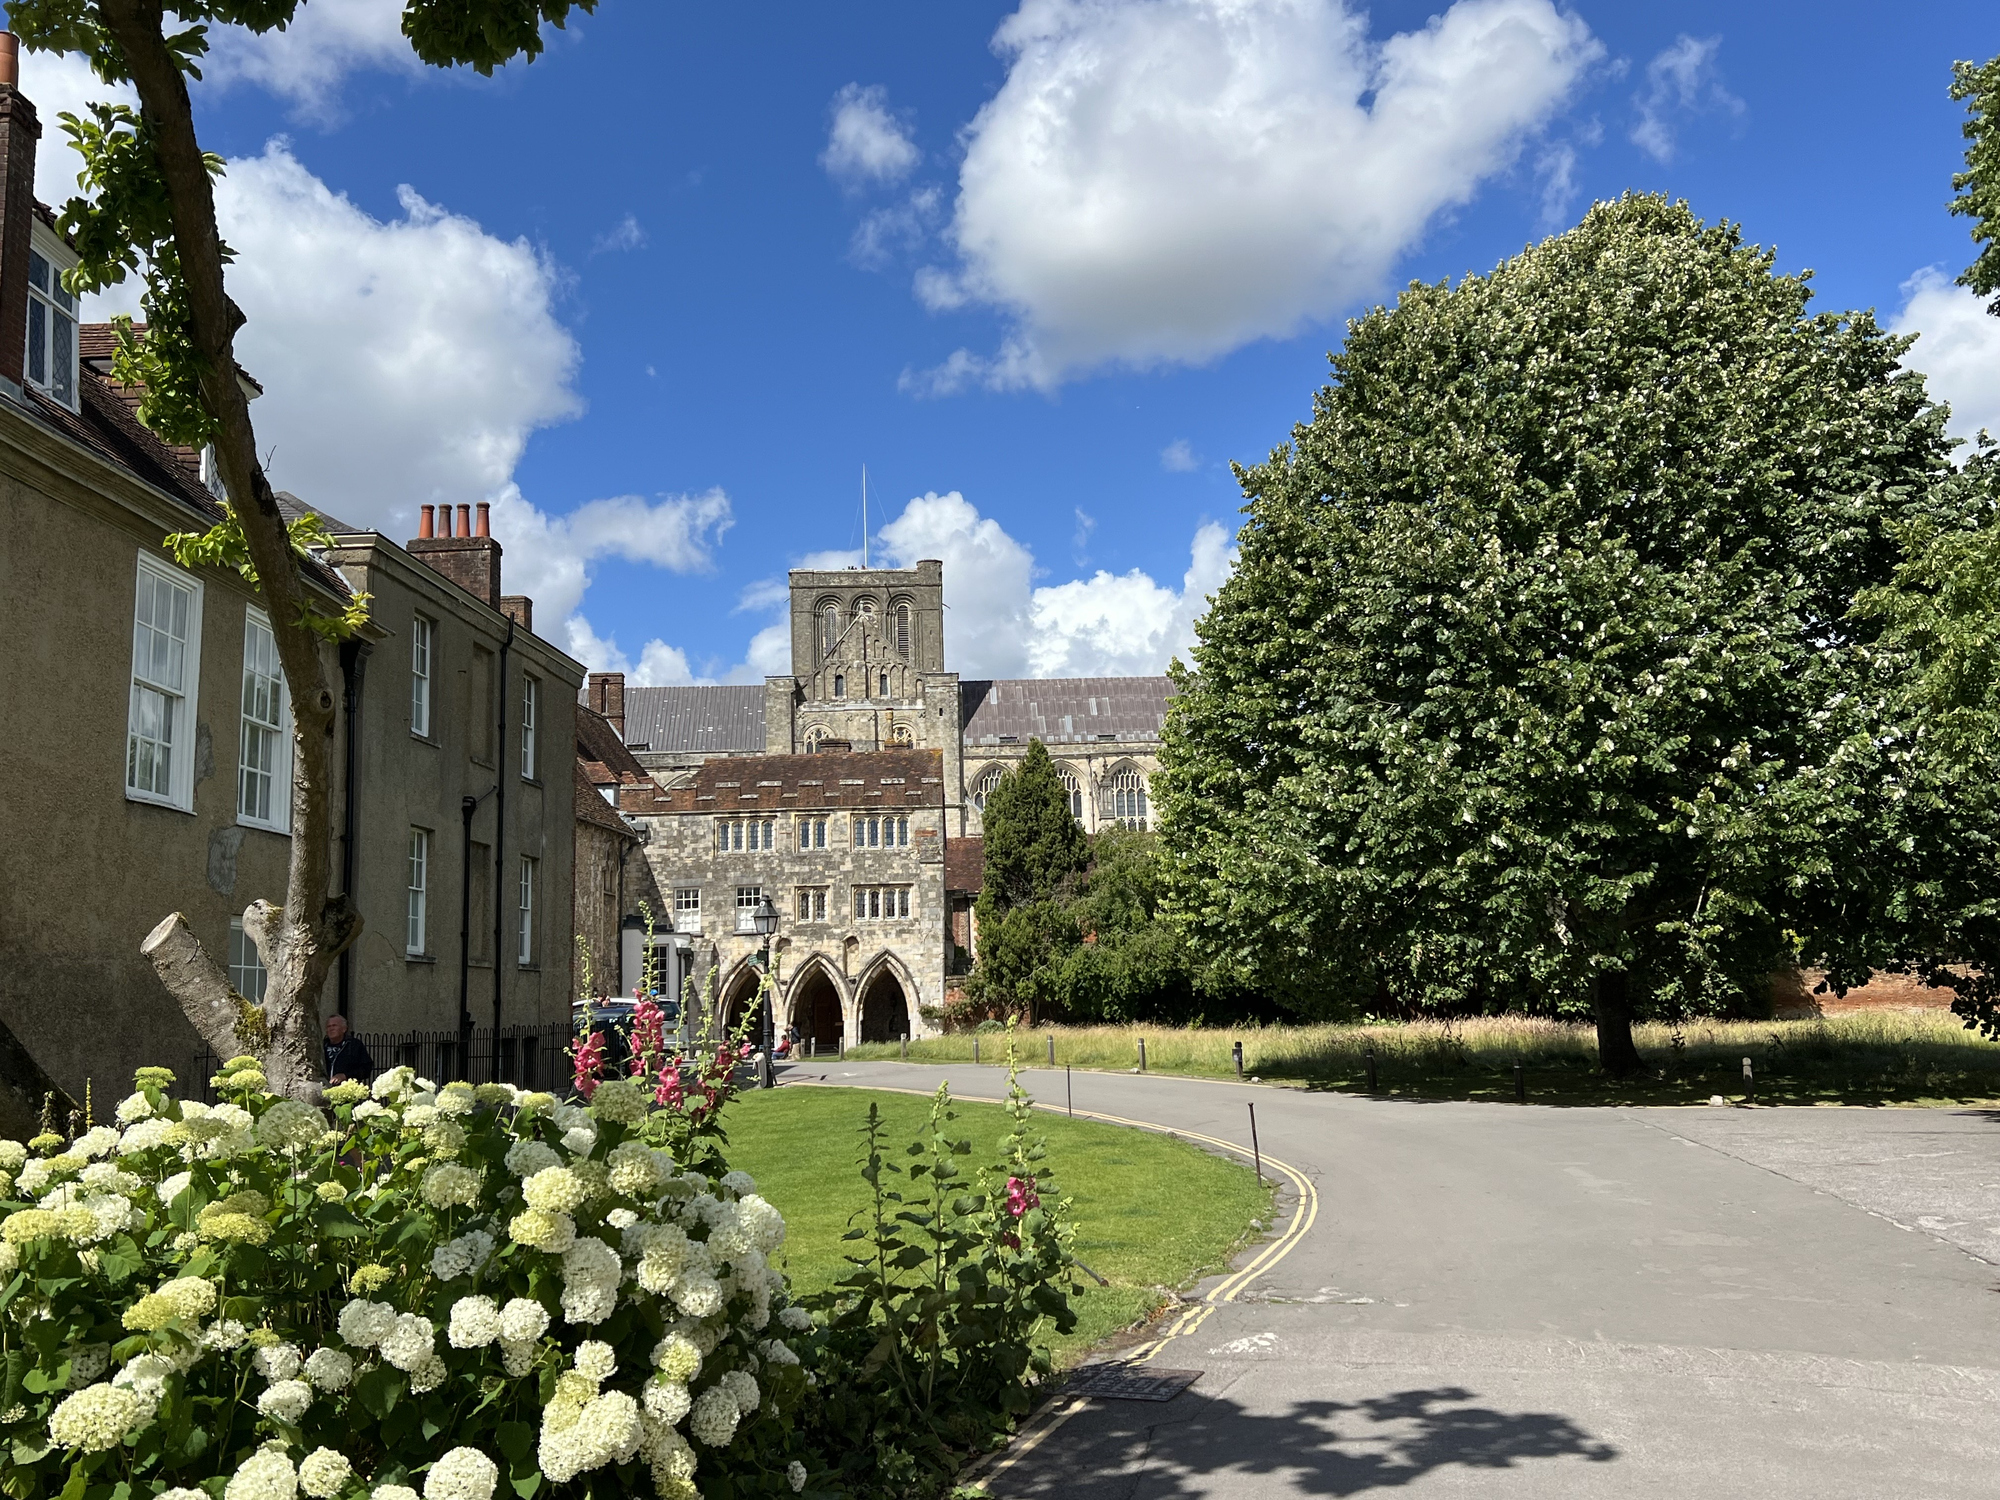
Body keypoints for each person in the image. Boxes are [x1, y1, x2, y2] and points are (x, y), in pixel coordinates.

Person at [324, 1013, 374, 1085]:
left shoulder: (354, 1045)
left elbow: (366, 1069)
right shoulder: (322, 1046)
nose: (331, 1029)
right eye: (329, 1026)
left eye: (334, 1025)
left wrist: (345, 1076)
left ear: (344, 1029)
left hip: (346, 1088)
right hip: (324, 1087)